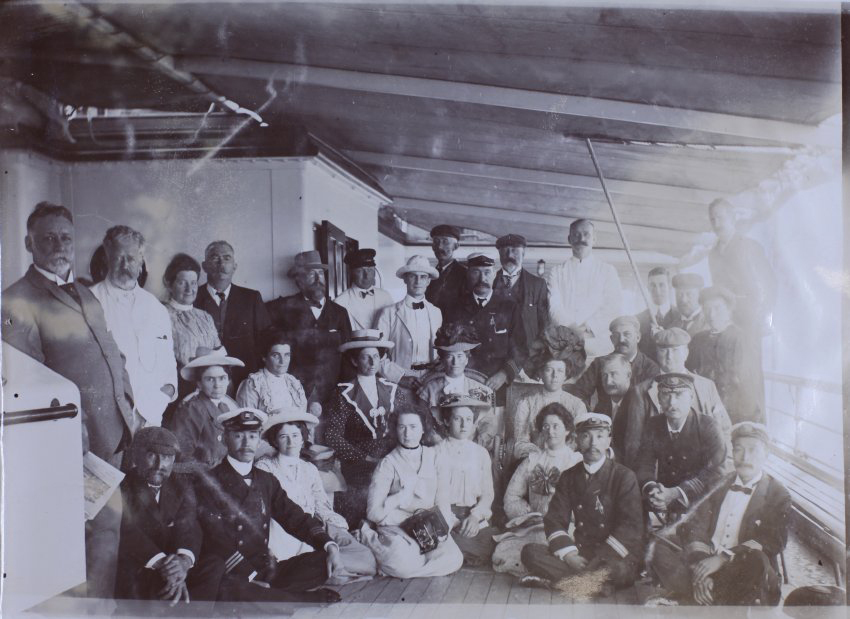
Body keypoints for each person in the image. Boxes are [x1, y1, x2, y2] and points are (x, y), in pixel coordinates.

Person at [2, 202, 138, 599]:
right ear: (29, 243)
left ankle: (99, 611)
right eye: (48, 238)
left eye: (65, 237)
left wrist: (128, 404)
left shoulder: (85, 293)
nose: (59, 245)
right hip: (69, 442)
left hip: (111, 434)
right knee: (75, 538)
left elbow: (113, 353)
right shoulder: (16, 299)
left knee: (106, 533)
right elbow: (27, 379)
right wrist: (67, 433)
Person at [193, 408, 343, 605]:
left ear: (258, 440)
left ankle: (266, 596)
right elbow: (216, 540)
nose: (246, 443)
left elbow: (295, 517)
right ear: (225, 439)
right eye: (238, 436)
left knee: (323, 561)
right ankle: (299, 598)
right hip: (233, 571)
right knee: (232, 588)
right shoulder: (209, 481)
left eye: (252, 436)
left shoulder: (266, 480)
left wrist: (328, 544)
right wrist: (249, 576)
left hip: (265, 568)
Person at [650, 422, 791, 606]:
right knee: (658, 545)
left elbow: (772, 541)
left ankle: (697, 595)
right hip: (706, 559)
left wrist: (723, 557)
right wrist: (702, 569)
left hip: (740, 566)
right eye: (738, 449)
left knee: (757, 561)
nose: (745, 457)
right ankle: (711, 592)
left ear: (766, 454)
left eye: (753, 450)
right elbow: (696, 525)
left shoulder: (778, 493)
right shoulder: (719, 482)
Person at [520, 413, 644, 597]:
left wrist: (598, 561)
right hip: (581, 552)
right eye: (586, 436)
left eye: (600, 436)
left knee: (619, 570)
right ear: (577, 440)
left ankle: (571, 581)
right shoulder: (569, 476)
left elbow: (630, 528)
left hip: (611, 555)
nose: (593, 443)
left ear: (609, 440)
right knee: (530, 552)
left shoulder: (624, 476)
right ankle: (594, 585)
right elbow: (555, 519)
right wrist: (570, 555)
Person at [255, 410, 377, 583]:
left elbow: (321, 506)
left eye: (295, 435)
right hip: (280, 532)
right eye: (283, 437)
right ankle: (323, 571)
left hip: (311, 530)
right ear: (275, 440)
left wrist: (340, 528)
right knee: (294, 564)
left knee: (366, 559)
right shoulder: (265, 467)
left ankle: (329, 570)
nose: (291, 442)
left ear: (303, 438)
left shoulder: (309, 469)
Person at [116, 427, 218, 604]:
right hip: (145, 563)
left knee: (214, 564)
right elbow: (127, 532)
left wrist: (184, 561)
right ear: (136, 456)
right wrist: (166, 566)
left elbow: (189, 525)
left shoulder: (181, 484)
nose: (159, 465)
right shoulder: (122, 486)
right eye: (152, 456)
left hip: (174, 564)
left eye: (167, 457)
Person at [91, 225, 177, 427]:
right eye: (118, 258)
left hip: (151, 416)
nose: (125, 265)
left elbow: (168, 368)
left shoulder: (156, 308)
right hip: (109, 421)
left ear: (140, 260)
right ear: (107, 258)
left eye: (131, 258)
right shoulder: (90, 301)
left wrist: (153, 406)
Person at [365, 407, 463, 578]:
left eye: (413, 427)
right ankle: (382, 548)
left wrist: (442, 529)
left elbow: (443, 500)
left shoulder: (435, 456)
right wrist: (400, 497)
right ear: (395, 429)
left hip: (427, 526)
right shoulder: (388, 463)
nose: (407, 433)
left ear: (423, 429)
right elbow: (373, 513)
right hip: (396, 528)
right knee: (401, 565)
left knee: (454, 559)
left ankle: (407, 566)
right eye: (402, 427)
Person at [493, 403, 583, 577]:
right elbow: (511, 497)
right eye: (546, 426)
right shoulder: (532, 460)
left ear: (567, 430)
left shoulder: (576, 461)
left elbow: (583, 502)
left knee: (548, 546)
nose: (550, 431)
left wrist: (563, 517)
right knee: (503, 552)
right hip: (534, 525)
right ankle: (545, 572)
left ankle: (545, 572)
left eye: (556, 426)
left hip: (565, 526)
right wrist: (528, 514)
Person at [622, 328, 732, 469]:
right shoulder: (641, 391)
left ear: (686, 353)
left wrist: (722, 468)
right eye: (663, 350)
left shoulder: (706, 386)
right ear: (657, 353)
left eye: (675, 350)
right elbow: (634, 442)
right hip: (660, 473)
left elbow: (724, 429)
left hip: (703, 471)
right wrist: (645, 479)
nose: (669, 356)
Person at [325, 330, 400, 526]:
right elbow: (333, 436)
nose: (372, 362)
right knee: (364, 509)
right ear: (354, 361)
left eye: (376, 356)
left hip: (391, 458)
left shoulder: (391, 389)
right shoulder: (343, 393)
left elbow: (402, 424)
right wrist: (365, 459)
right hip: (358, 463)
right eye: (366, 357)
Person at [266, 250, 352, 411]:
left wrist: (346, 392)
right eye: (311, 274)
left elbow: (349, 356)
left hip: (332, 395)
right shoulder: (280, 309)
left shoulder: (340, 313)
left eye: (321, 273)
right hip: (292, 393)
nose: (319, 279)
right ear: (299, 280)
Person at [635, 373, 727, 522]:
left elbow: (717, 472)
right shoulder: (653, 424)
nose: (672, 402)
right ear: (658, 398)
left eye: (679, 395)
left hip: (698, 504)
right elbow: (644, 464)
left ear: (691, 397)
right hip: (661, 501)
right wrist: (653, 490)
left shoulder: (708, 427)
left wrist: (676, 493)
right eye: (666, 395)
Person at [442, 253, 527, 398]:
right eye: (476, 272)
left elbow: (520, 348)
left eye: (487, 272)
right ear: (468, 275)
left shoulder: (509, 307)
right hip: (463, 381)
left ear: (494, 274)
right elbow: (446, 348)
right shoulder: (454, 308)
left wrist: (504, 374)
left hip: (497, 384)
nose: (482, 279)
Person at [194, 240, 271, 389]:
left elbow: (264, 341)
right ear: (204, 266)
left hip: (245, 380)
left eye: (227, 258)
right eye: (214, 258)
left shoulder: (251, 298)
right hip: (204, 383)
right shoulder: (193, 298)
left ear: (235, 266)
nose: (221, 263)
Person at [433, 395, 498, 567]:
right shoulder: (436, 452)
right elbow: (436, 496)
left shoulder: (481, 453)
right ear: (446, 421)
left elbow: (488, 493)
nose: (464, 425)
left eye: (468, 419)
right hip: (445, 516)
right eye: (457, 419)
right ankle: (456, 551)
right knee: (440, 540)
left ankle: (456, 553)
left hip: (472, 516)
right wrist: (453, 522)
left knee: (493, 543)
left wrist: (475, 517)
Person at [545, 219, 622, 358]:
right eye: (576, 235)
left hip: (599, 347)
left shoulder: (607, 270)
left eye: (586, 234)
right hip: (565, 346)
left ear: (594, 239)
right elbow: (554, 307)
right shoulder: (556, 272)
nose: (581, 239)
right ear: (569, 239)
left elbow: (613, 305)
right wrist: (571, 329)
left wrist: (588, 328)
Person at [688, 286, 764, 424]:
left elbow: (748, 385)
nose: (711, 315)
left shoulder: (741, 339)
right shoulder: (698, 340)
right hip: (703, 411)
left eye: (717, 308)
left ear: (729, 310)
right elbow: (689, 373)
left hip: (734, 413)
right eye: (707, 309)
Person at [513, 325, 587, 462]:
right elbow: (520, 441)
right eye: (549, 370)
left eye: (559, 371)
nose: (554, 376)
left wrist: (557, 455)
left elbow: (578, 441)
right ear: (541, 373)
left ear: (566, 375)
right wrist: (541, 456)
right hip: (534, 461)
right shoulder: (526, 403)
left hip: (566, 462)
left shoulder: (577, 405)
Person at [164, 347, 243, 473]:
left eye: (222, 378)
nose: (217, 385)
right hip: (202, 476)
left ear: (228, 380)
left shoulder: (225, 407)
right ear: (199, 383)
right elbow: (181, 454)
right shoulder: (192, 409)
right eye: (210, 379)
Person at [416, 322, 495, 445]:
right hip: (438, 448)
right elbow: (423, 422)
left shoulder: (480, 390)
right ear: (443, 360)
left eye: (459, 356)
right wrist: (435, 440)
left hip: (470, 448)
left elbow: (488, 423)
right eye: (449, 357)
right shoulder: (429, 390)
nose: (455, 362)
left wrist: (480, 439)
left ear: (466, 359)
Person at [707, 199, 776, 339]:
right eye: (712, 220)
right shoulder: (713, 254)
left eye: (720, 218)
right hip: (725, 322)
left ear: (732, 218)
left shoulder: (750, 247)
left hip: (751, 319)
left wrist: (764, 315)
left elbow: (769, 284)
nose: (716, 224)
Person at [162, 253, 222, 401]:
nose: (189, 289)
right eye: (182, 283)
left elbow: (218, 354)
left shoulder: (205, 317)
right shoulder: (161, 314)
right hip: (178, 390)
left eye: (193, 283)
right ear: (169, 284)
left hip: (211, 389)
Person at [375, 255, 442, 388]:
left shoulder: (436, 312)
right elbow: (377, 353)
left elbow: (440, 349)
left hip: (431, 378)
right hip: (400, 379)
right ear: (405, 279)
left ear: (428, 281)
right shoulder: (388, 312)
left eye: (423, 277)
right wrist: (399, 377)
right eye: (413, 276)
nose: (418, 281)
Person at [567, 314, 660, 410]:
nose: (621, 339)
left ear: (638, 337)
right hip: (604, 418)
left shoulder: (650, 368)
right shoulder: (600, 363)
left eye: (627, 334)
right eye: (616, 335)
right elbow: (578, 393)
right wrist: (587, 415)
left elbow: (649, 405)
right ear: (611, 339)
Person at [236, 331, 321, 424]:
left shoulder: (294, 384)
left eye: (286, 355)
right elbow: (247, 425)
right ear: (264, 357)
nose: (282, 361)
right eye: (276, 355)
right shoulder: (253, 384)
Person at [492, 233, 550, 348]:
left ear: (523, 254)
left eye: (515, 250)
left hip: (528, 352)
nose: (509, 255)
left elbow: (544, 323)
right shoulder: (490, 283)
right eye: (505, 251)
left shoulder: (538, 285)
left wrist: (537, 350)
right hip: (496, 351)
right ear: (499, 254)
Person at [334, 248, 394, 331]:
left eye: (370, 270)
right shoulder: (340, 302)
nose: (367, 275)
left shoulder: (386, 297)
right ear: (351, 273)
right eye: (360, 271)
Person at [593, 353, 635, 461]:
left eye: (614, 374)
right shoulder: (601, 406)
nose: (608, 381)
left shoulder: (638, 404)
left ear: (628, 375)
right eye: (604, 375)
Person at [425, 224, 468, 314]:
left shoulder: (465, 274)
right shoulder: (429, 275)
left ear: (456, 246)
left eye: (445, 242)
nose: (439, 247)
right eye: (436, 242)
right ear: (432, 246)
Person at [636, 266, 672, 361]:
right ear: (648, 288)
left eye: (662, 285)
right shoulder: (637, 320)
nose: (657, 291)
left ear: (669, 286)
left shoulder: (680, 317)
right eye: (653, 285)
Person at [665, 273, 708, 337]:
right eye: (679, 294)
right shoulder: (671, 326)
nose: (683, 300)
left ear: (699, 295)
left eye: (689, 294)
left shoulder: (709, 322)